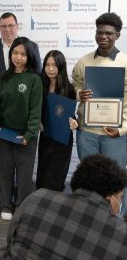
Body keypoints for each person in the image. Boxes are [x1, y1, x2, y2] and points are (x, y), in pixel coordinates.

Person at [0, 154, 127, 260]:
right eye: (120, 196)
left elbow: (10, 239)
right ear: (109, 196)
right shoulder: (122, 235)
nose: (120, 201)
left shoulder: (38, 197)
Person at [72, 12, 127, 216]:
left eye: (108, 33)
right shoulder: (84, 61)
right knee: (89, 180)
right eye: (99, 32)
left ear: (117, 35)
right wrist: (79, 93)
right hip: (87, 132)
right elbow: (75, 84)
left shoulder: (125, 62)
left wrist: (122, 129)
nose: (103, 36)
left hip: (115, 133)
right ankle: (90, 217)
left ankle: (116, 219)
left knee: (117, 180)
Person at [0, 12, 41, 198]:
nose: (7, 29)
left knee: (24, 169)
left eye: (11, 25)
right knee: (2, 165)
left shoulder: (32, 51)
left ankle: (20, 201)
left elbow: (37, 81)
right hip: (0, 117)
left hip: (24, 118)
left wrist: (33, 127)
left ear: (16, 26)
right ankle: (1, 196)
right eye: (3, 26)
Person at [0, 37, 42, 221]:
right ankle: (6, 204)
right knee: (4, 170)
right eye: (15, 53)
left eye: (23, 54)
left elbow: (36, 111)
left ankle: (21, 205)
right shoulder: (3, 76)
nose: (18, 58)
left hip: (25, 135)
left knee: (25, 173)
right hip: (4, 132)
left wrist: (29, 134)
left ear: (30, 57)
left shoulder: (35, 79)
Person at [36, 50, 77, 191]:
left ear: (61, 66)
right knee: (41, 176)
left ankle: (52, 211)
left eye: (54, 65)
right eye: (47, 65)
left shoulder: (70, 89)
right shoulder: (39, 85)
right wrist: (38, 121)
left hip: (63, 140)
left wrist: (73, 122)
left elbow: (71, 115)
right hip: (46, 137)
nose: (51, 69)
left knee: (54, 180)